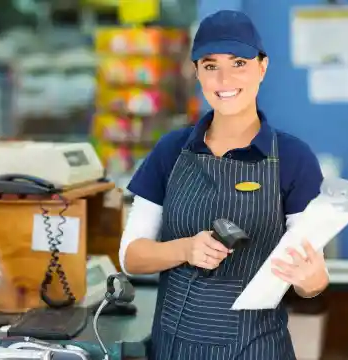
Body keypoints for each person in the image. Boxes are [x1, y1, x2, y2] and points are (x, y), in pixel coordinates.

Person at [119, 9, 329, 360]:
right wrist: (185, 249)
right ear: (197, 73)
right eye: (211, 65)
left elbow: (314, 277)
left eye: (238, 63)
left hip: (258, 348)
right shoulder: (171, 150)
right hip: (174, 348)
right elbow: (130, 256)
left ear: (262, 68)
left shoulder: (294, 158)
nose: (224, 79)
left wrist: (310, 281)